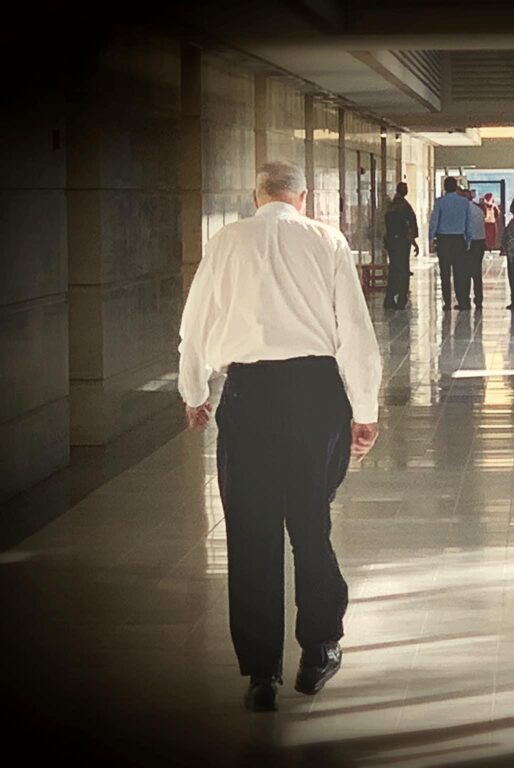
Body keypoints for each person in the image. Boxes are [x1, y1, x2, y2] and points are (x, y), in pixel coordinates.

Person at [178, 161, 383, 713]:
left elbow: (194, 325)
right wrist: (365, 410)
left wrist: (195, 392)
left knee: (251, 532)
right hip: (315, 394)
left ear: (256, 197)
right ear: (302, 198)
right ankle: (319, 649)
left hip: (249, 394)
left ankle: (261, 671)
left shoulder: (227, 241)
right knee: (310, 523)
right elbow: (354, 331)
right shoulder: (326, 240)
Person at [428, 176, 473, 310]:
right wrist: (468, 239)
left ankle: (447, 302)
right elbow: (468, 222)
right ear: (456, 187)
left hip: (444, 240)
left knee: (445, 273)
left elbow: (434, 221)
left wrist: (431, 238)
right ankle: (462, 301)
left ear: (445, 187)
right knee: (459, 272)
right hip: (459, 240)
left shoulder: (440, 202)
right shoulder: (464, 202)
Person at [383, 181, 419, 310]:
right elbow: (408, 225)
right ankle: (401, 299)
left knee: (394, 269)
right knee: (403, 270)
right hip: (401, 242)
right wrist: (413, 241)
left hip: (392, 241)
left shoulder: (392, 206)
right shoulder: (403, 206)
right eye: (405, 188)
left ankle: (390, 298)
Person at [461, 188, 487, 309]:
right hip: (480, 242)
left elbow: (467, 229)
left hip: (469, 243)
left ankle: (465, 300)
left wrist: (466, 244)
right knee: (477, 273)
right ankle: (478, 300)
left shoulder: (464, 210)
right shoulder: (478, 210)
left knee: (465, 273)